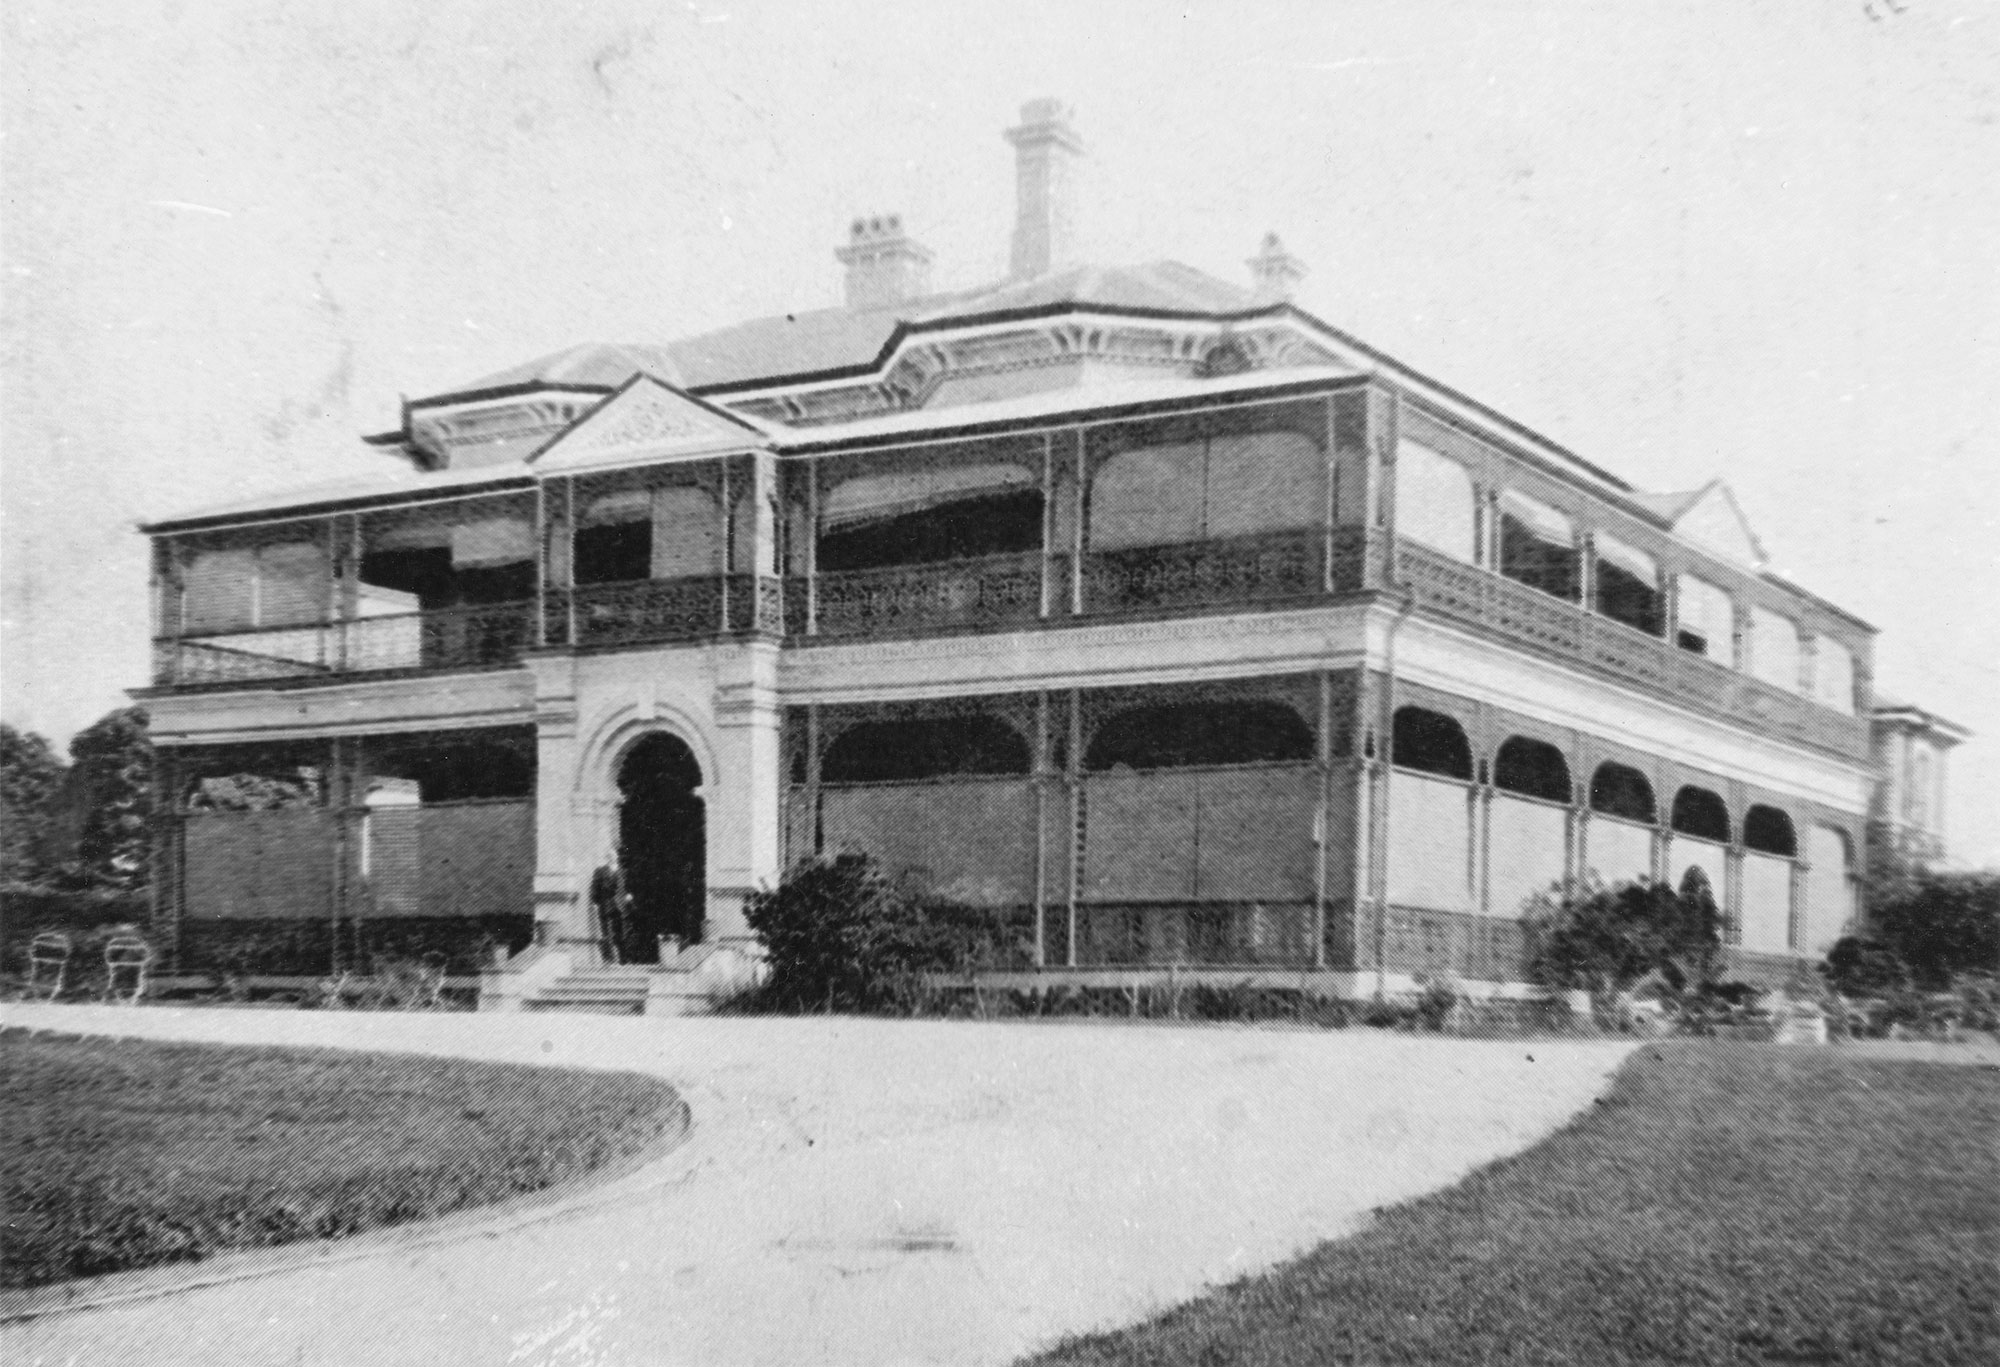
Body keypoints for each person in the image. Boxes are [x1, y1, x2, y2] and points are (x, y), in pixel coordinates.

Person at [589, 864, 631, 964]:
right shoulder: (600, 870)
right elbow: (595, 886)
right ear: (607, 857)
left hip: (620, 905)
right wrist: (595, 902)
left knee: (622, 931)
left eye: (613, 855)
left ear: (616, 857)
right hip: (605, 904)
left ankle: (623, 959)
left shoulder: (622, 870)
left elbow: (628, 885)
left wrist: (629, 896)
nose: (611, 857)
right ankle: (608, 959)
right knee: (606, 932)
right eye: (609, 855)